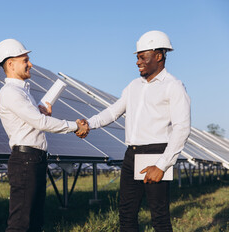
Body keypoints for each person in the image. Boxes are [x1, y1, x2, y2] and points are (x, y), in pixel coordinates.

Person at [80, 31, 191, 231]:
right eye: (137, 57)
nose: (138, 62)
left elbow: (181, 128)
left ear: (158, 56)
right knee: (127, 214)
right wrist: (88, 123)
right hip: (131, 154)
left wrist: (162, 165)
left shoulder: (173, 86)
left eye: (142, 57)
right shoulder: (133, 86)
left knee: (159, 216)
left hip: (156, 153)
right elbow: (113, 111)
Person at [0, 39, 88, 232]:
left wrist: (40, 114)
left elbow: (36, 120)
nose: (30, 64)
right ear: (10, 64)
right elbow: (41, 123)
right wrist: (75, 126)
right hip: (25, 161)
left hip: (34, 160)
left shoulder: (24, 92)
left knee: (34, 222)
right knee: (20, 223)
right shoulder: (10, 92)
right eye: (25, 60)